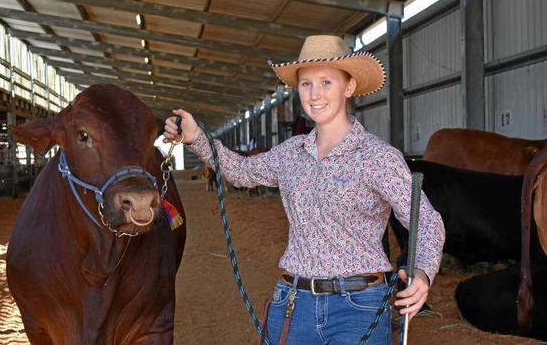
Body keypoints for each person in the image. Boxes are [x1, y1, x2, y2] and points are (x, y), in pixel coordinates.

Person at [163, 35, 445, 344]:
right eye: (306, 84)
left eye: (326, 82)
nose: (314, 94)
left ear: (349, 87)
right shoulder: (290, 153)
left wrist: (423, 271)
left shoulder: (377, 157)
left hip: (358, 306)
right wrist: (197, 138)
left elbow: (426, 220)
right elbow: (243, 171)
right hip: (293, 301)